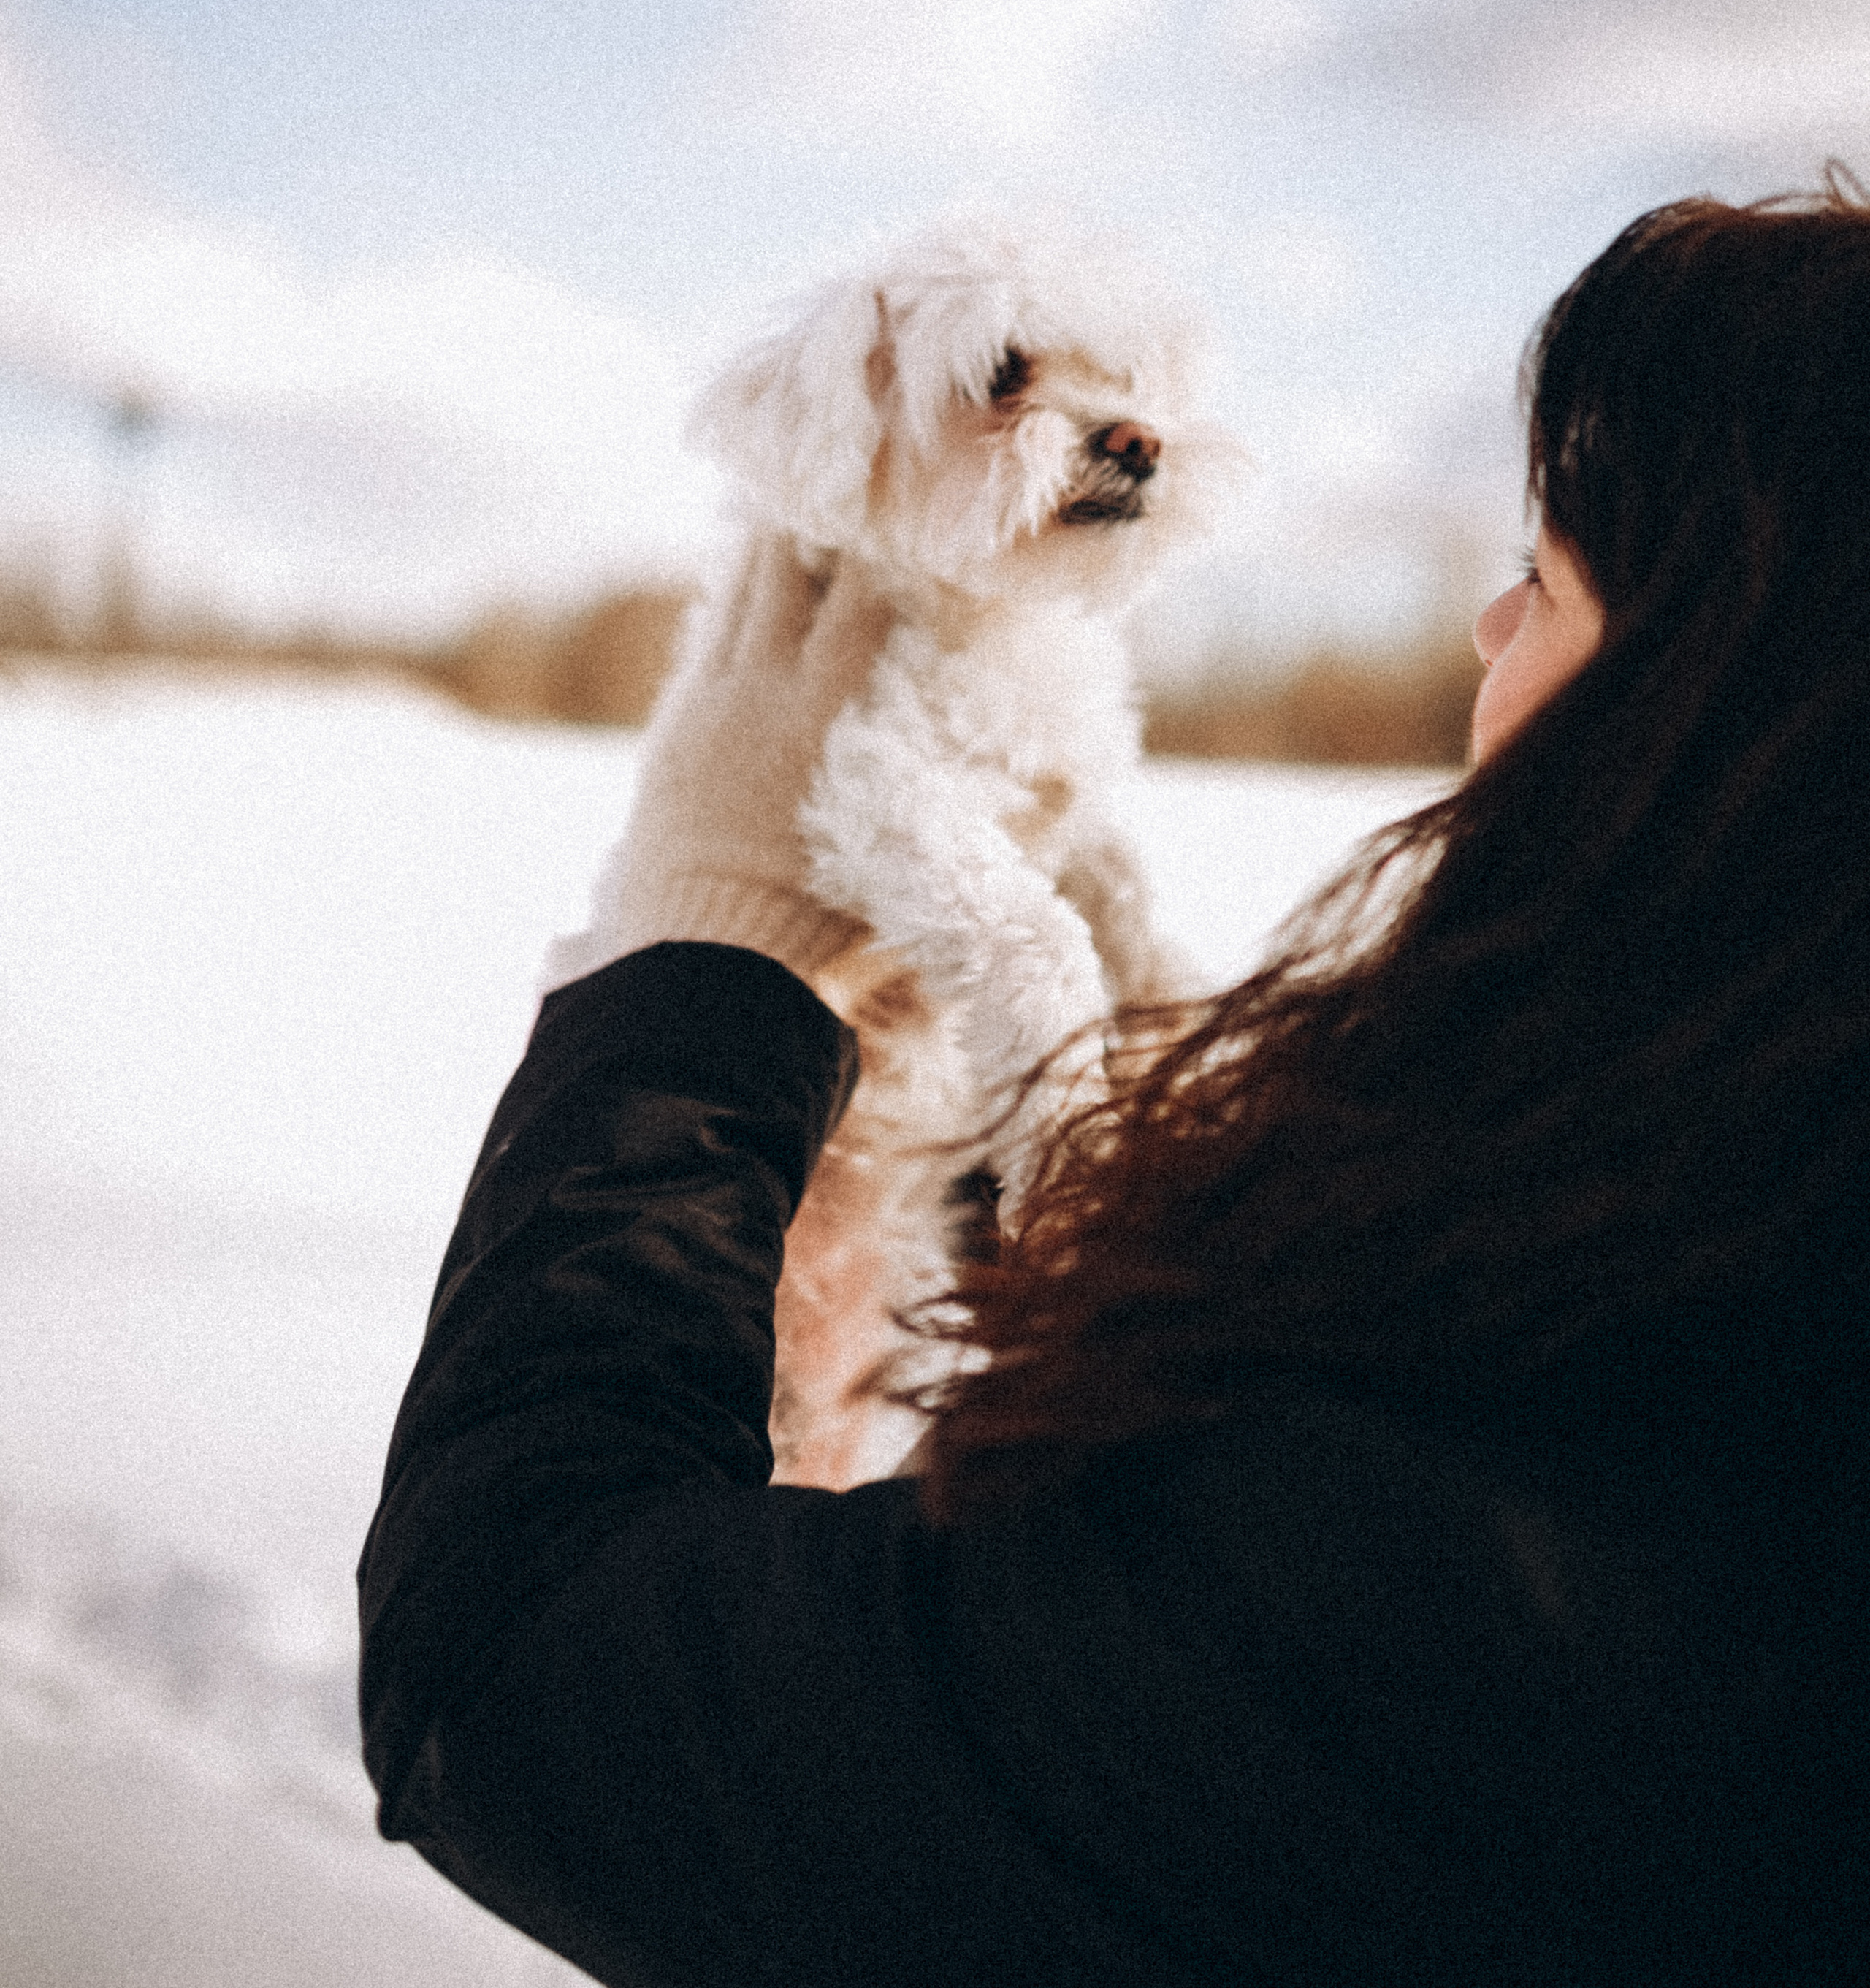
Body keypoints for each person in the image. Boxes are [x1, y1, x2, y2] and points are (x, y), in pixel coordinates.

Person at [359, 183, 1869, 1987]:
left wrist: (701, 967)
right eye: (1007, 383)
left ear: (1723, 713)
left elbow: (521, 1681)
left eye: (1541, 578)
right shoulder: (1683, 1239)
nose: (1481, 625)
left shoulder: (1509, 1481)